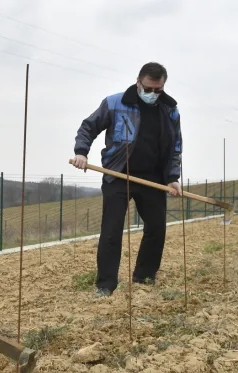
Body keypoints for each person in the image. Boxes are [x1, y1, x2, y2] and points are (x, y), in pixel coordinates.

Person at [70, 62, 183, 297]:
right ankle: (105, 285)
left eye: (158, 90)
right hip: (118, 174)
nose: (153, 94)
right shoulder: (114, 103)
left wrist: (173, 178)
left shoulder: (170, 110)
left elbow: (175, 147)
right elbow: (88, 127)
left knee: (157, 228)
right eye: (149, 89)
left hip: (153, 178)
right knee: (111, 231)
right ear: (138, 82)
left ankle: (144, 277)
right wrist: (81, 151)